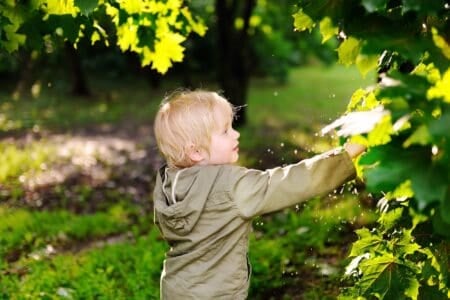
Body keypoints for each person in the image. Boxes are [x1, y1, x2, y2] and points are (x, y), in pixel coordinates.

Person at [152, 89, 365, 299]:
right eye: (225, 131)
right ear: (196, 151)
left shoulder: (167, 183)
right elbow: (288, 182)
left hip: (175, 289)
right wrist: (347, 155)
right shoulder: (230, 186)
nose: (236, 134)